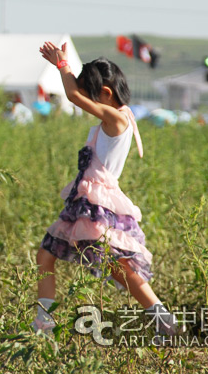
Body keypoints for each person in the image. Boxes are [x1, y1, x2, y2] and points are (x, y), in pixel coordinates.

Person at [32, 41, 177, 337]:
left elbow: (72, 95)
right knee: (48, 256)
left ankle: (165, 322)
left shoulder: (117, 118)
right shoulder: (113, 118)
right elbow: (76, 92)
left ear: (105, 95)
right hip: (86, 201)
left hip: (96, 204)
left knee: (119, 268)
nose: (86, 103)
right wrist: (66, 67)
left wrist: (63, 67)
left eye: (90, 97)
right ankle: (43, 328)